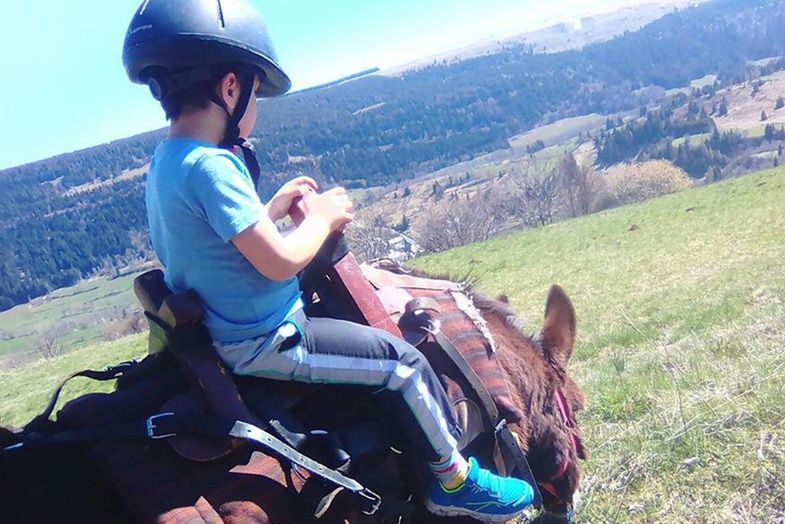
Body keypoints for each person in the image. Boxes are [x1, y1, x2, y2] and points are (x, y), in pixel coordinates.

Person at [121, 0, 534, 521]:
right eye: (253, 94)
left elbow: (212, 242)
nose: (253, 109)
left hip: (223, 328)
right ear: (230, 88)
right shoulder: (212, 166)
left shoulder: (169, 162)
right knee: (402, 365)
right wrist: (321, 217)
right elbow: (278, 263)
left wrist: (269, 209)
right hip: (266, 340)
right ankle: (453, 479)